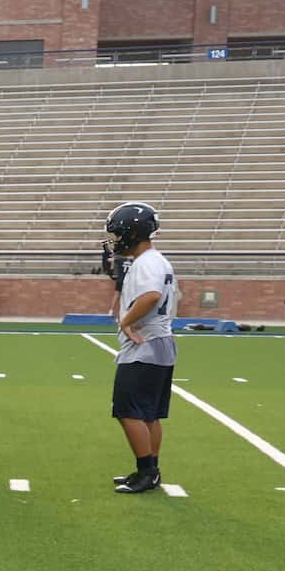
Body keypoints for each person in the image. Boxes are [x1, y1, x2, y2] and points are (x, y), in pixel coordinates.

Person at [104, 201, 177, 495]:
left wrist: (126, 322)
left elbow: (150, 296)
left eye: (118, 234)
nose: (115, 241)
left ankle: (147, 471)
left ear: (133, 233)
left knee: (128, 410)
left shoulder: (148, 262)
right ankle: (150, 469)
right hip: (158, 342)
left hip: (147, 344)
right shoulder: (154, 261)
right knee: (148, 413)